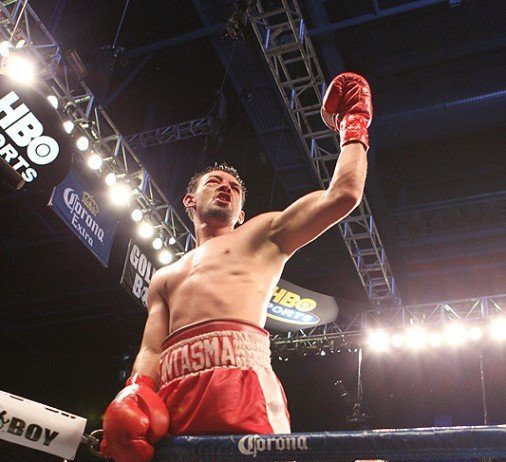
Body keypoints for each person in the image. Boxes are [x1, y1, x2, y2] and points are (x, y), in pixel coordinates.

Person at [101, 72, 372, 462]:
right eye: (215, 181)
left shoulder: (260, 235)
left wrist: (354, 126)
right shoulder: (164, 277)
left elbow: (342, 195)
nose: (225, 187)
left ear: (242, 213)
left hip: (241, 383)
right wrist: (137, 391)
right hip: (173, 394)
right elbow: (151, 348)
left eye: (235, 187)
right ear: (190, 200)